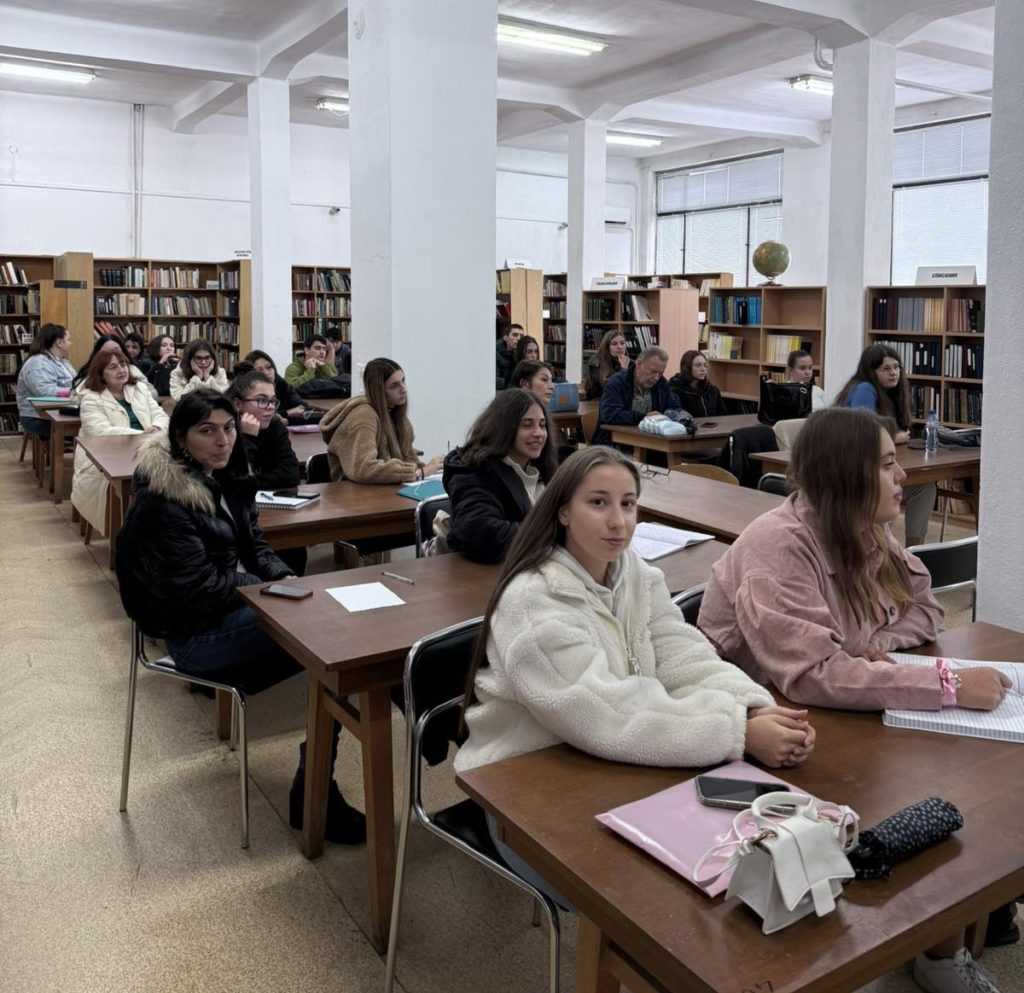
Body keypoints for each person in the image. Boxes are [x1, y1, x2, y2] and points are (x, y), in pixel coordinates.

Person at [698, 406, 1010, 993]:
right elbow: (813, 674)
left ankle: (942, 946)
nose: (904, 476)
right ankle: (915, 946)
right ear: (846, 475)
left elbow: (926, 607)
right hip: (761, 735)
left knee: (959, 792)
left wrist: (877, 642)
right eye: (888, 464)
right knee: (914, 797)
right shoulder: (779, 545)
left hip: (832, 715)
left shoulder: (866, 529)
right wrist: (945, 684)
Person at [455, 446, 814, 900]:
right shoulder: (533, 600)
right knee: (650, 894)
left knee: (729, 862)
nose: (618, 521)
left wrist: (752, 708)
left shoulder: (635, 575)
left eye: (628, 504)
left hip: (606, 760)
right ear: (562, 512)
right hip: (526, 784)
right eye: (598, 502)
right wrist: (736, 731)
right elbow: (601, 711)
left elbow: (684, 654)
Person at [114, 390, 365, 845]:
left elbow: (257, 547)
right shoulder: (162, 501)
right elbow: (199, 588)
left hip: (233, 610)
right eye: (206, 431)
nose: (223, 440)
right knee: (332, 637)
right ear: (180, 438)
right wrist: (268, 592)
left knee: (335, 643)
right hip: (192, 636)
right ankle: (315, 793)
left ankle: (314, 788)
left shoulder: (229, 478)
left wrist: (285, 578)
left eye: (228, 428)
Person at [442, 388, 559, 563]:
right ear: (504, 428)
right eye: (527, 425)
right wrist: (551, 533)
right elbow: (478, 532)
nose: (538, 433)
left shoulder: (541, 469)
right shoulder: (476, 471)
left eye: (542, 425)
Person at [834, 344, 935, 547]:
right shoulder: (865, 388)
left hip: (875, 466)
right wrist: (895, 437)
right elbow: (863, 432)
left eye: (896, 367)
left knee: (925, 486)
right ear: (871, 371)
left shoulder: (889, 394)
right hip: (853, 474)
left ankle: (913, 550)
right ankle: (882, 548)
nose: (893, 373)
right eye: (886, 369)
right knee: (892, 485)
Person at [71, 349, 168, 536]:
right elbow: (100, 433)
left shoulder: (140, 389)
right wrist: (142, 434)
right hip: (106, 457)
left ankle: (161, 529)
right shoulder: (90, 398)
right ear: (101, 374)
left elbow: (160, 415)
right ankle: (128, 535)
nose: (121, 370)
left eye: (123, 365)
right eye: (113, 367)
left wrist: (156, 427)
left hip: (148, 450)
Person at [227, 369, 305, 575]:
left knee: (294, 546)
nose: (270, 407)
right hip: (235, 516)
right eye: (262, 401)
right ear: (237, 404)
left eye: (273, 401)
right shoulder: (224, 431)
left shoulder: (275, 426)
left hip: (271, 509)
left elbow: (290, 474)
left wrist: (254, 481)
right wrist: (248, 438)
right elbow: (232, 483)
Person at [319, 357, 443, 483]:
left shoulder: (394, 413)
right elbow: (364, 469)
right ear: (379, 391)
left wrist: (437, 468)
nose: (404, 389)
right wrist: (419, 473)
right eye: (394, 386)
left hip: (386, 488)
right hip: (354, 491)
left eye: (403, 381)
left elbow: (408, 458)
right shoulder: (363, 417)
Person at [594, 345, 681, 446]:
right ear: (639, 364)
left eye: (660, 373)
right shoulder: (617, 383)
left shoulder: (661, 384)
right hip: (615, 444)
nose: (656, 378)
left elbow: (674, 406)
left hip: (653, 443)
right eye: (653, 372)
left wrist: (678, 415)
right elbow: (610, 415)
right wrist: (645, 418)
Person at [15, 324, 75, 439]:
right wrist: (72, 392)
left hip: (56, 412)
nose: (70, 343)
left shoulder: (63, 362)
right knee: (85, 428)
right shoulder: (38, 363)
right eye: (68, 340)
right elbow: (44, 391)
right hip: (36, 417)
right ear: (59, 343)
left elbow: (75, 383)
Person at [73, 336, 156, 400]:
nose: (113, 355)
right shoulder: (90, 372)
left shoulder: (132, 370)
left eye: (116, 350)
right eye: (106, 352)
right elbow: (76, 397)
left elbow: (153, 393)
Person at [242, 350, 310, 422]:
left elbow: (302, 406)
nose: (267, 373)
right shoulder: (248, 392)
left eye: (269, 367)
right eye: (260, 370)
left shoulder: (282, 384)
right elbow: (261, 415)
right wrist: (287, 413)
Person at [669, 349, 724, 418]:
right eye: (698, 365)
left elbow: (723, 417)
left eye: (705, 365)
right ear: (687, 368)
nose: (703, 369)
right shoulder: (675, 390)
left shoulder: (713, 390)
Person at [585, 330, 629, 400]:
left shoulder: (629, 362)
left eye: (622, 343)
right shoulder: (596, 362)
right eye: (614, 344)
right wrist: (624, 370)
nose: (620, 347)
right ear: (607, 347)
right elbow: (610, 389)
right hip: (598, 401)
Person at [496, 322, 524, 388]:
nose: (519, 338)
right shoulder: (495, 354)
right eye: (515, 335)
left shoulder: (523, 353)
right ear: (506, 338)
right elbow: (493, 380)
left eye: (521, 336)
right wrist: (513, 383)